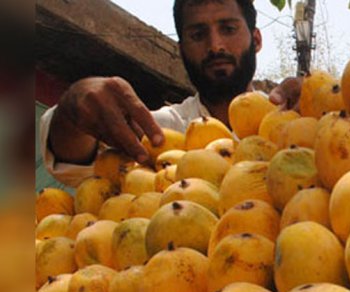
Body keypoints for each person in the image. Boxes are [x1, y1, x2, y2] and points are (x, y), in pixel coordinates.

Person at [39, 0, 301, 187]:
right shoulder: (160, 131)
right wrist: (72, 108)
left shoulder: (293, 120)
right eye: (198, 34)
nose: (215, 46)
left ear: (256, 40)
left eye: (228, 29)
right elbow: (73, 162)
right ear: (181, 50)